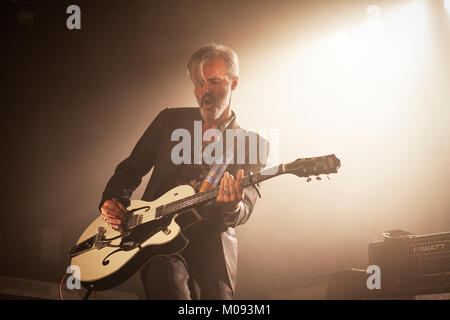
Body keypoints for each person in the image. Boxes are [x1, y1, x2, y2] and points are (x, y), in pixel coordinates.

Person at [99, 43, 269, 299]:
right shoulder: (170, 120)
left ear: (234, 83)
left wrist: (232, 207)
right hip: (158, 239)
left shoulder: (251, 143)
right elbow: (131, 168)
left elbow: (246, 205)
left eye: (213, 82)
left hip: (213, 250)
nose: (205, 92)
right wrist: (113, 200)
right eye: (199, 83)